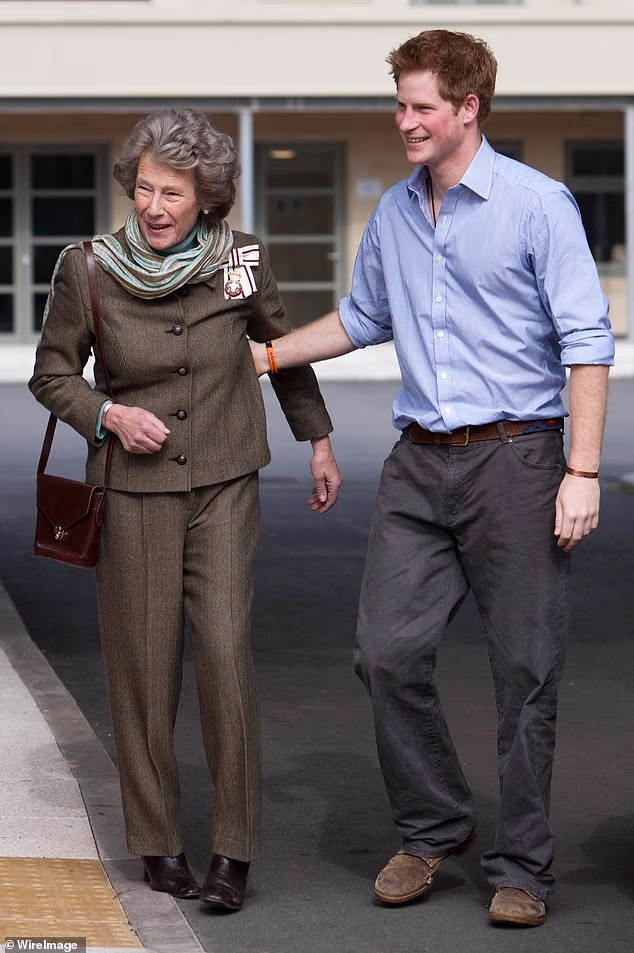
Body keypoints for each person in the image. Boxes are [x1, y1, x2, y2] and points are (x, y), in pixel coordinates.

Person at [249, 30, 614, 927]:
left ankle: (522, 865)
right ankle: (436, 823)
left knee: (525, 671)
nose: (404, 121)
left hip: (519, 459)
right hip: (419, 464)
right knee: (385, 653)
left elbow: (587, 343)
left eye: (420, 107)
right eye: (399, 104)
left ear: (467, 108)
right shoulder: (397, 212)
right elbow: (363, 315)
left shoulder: (538, 204)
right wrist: (267, 355)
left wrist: (582, 469)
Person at [29, 108, 341, 912]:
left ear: (207, 197)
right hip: (132, 493)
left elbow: (279, 350)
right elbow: (52, 373)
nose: (155, 206)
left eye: (173, 192)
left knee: (226, 656)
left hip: (225, 482)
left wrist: (319, 439)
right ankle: (158, 840)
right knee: (143, 666)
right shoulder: (88, 269)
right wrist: (107, 414)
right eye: (144, 188)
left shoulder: (240, 260)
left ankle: (234, 849)